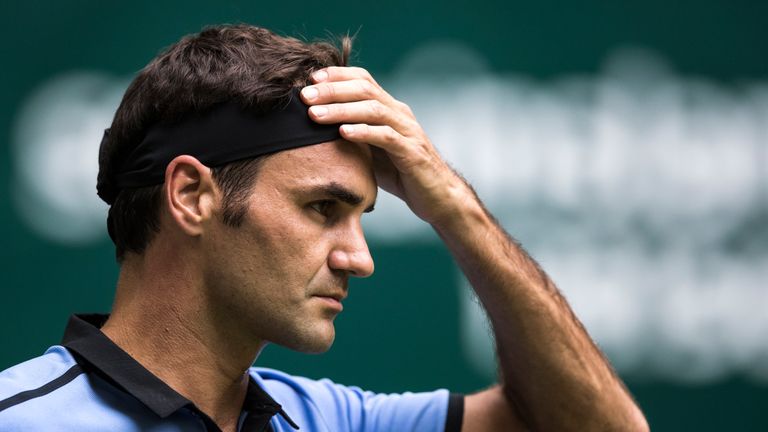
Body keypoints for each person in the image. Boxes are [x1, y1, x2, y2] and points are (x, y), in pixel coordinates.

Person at [0, 24, 648, 431]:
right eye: (322, 209)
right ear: (192, 195)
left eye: (362, 216)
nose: (359, 259)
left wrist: (455, 207)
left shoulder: (331, 420)